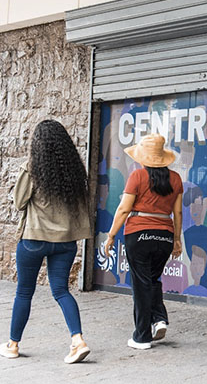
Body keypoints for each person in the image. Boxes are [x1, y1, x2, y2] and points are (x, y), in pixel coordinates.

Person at [2, 120, 92, 364]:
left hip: (34, 239)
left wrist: (26, 168)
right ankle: (77, 340)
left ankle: (13, 345)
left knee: (24, 292)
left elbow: (19, 202)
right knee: (61, 290)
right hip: (65, 242)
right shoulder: (75, 171)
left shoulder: (33, 169)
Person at [103, 134, 183, 350]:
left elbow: (123, 209)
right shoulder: (175, 179)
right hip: (164, 236)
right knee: (152, 279)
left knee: (141, 284)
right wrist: (176, 240)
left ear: (143, 158)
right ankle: (159, 319)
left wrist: (110, 236)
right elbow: (177, 212)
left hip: (139, 235)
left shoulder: (137, 176)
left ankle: (142, 336)